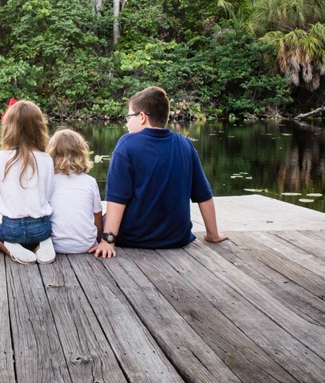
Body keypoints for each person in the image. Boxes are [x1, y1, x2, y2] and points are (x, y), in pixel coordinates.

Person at [91, 86, 228, 258]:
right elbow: (203, 194)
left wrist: (108, 241)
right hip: (177, 238)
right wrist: (213, 235)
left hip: (133, 238)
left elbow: (117, 199)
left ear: (142, 117)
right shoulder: (185, 144)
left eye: (128, 116)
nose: (126, 123)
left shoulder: (126, 145)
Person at [0, 99, 55, 264]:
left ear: (8, 128)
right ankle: (42, 244)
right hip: (41, 228)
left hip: (11, 228)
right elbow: (48, 195)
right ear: (40, 128)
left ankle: (11, 246)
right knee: (39, 234)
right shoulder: (47, 159)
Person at [47, 128, 103, 254]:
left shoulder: (49, 182)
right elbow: (97, 217)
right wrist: (98, 241)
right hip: (86, 245)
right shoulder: (90, 181)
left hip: (55, 245)